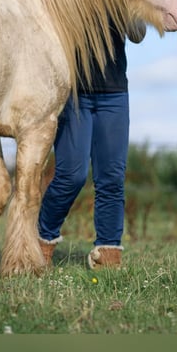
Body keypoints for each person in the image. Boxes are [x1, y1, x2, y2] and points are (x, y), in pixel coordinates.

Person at [38, 18, 146, 269]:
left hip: (114, 94)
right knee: (71, 176)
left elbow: (138, 34)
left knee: (112, 178)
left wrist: (127, 7)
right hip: (74, 93)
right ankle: (41, 240)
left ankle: (108, 252)